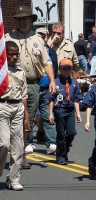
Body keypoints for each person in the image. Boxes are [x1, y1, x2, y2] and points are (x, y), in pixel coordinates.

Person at [5, 5, 56, 169]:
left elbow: (46, 62)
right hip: (11, 84)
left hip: (33, 84)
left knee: (27, 121)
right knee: (10, 119)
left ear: (30, 20)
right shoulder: (7, 38)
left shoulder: (38, 39)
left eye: (24, 18)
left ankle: (20, 155)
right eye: (19, 19)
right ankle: (11, 150)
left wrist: (53, 81)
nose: (22, 21)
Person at [0, 41, 30, 191]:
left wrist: (26, 116)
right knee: (3, 144)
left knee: (18, 146)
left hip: (17, 107)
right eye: (11, 54)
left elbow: (24, 95)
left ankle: (13, 179)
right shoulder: (1, 71)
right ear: (5, 54)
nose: (14, 57)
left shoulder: (21, 71)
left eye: (16, 54)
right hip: (2, 106)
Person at [47, 59, 83, 165]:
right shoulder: (55, 82)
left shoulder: (74, 83)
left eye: (69, 69)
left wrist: (78, 114)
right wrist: (50, 113)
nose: (67, 71)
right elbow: (51, 99)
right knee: (61, 134)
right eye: (64, 68)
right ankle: (61, 156)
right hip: (60, 110)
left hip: (70, 110)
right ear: (59, 69)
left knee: (72, 132)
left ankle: (64, 149)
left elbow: (76, 100)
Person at [31, 27, 58, 155]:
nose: (42, 37)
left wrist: (55, 83)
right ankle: (28, 142)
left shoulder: (51, 51)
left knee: (48, 116)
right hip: (34, 87)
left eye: (45, 35)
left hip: (47, 89)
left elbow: (54, 69)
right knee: (30, 117)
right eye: (40, 35)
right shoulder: (31, 49)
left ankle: (51, 143)